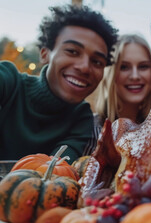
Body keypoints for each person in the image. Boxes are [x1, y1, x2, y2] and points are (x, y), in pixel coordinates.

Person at [0, 5, 118, 163]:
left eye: (97, 61)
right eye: (72, 51)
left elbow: (56, 175)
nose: (84, 67)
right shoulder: (8, 81)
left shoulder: (81, 118)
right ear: (45, 54)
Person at [83, 34, 151, 155]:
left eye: (143, 67)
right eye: (124, 67)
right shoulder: (89, 130)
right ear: (110, 73)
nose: (135, 76)